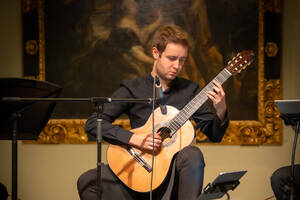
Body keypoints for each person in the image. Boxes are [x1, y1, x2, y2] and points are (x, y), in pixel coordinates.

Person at [77, 24, 229, 200]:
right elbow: (94, 123)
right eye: (171, 58)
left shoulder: (191, 91)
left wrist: (221, 110)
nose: (177, 65)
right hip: (137, 167)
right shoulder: (132, 88)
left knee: (193, 154)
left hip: (171, 177)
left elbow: (215, 134)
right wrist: (134, 139)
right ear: (156, 53)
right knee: (87, 181)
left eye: (182, 60)